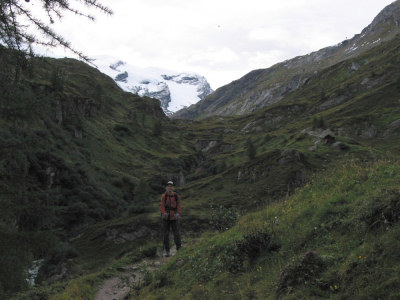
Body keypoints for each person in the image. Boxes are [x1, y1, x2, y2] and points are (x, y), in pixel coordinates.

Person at [160, 181, 182, 257]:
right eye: (168, 186)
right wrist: (163, 213)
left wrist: (178, 213)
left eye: (171, 186)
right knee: (166, 234)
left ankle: (179, 249)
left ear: (173, 187)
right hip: (166, 217)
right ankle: (167, 251)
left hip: (174, 217)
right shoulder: (164, 196)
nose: (170, 187)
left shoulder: (176, 196)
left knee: (176, 233)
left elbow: (179, 205)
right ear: (166, 187)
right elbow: (162, 206)